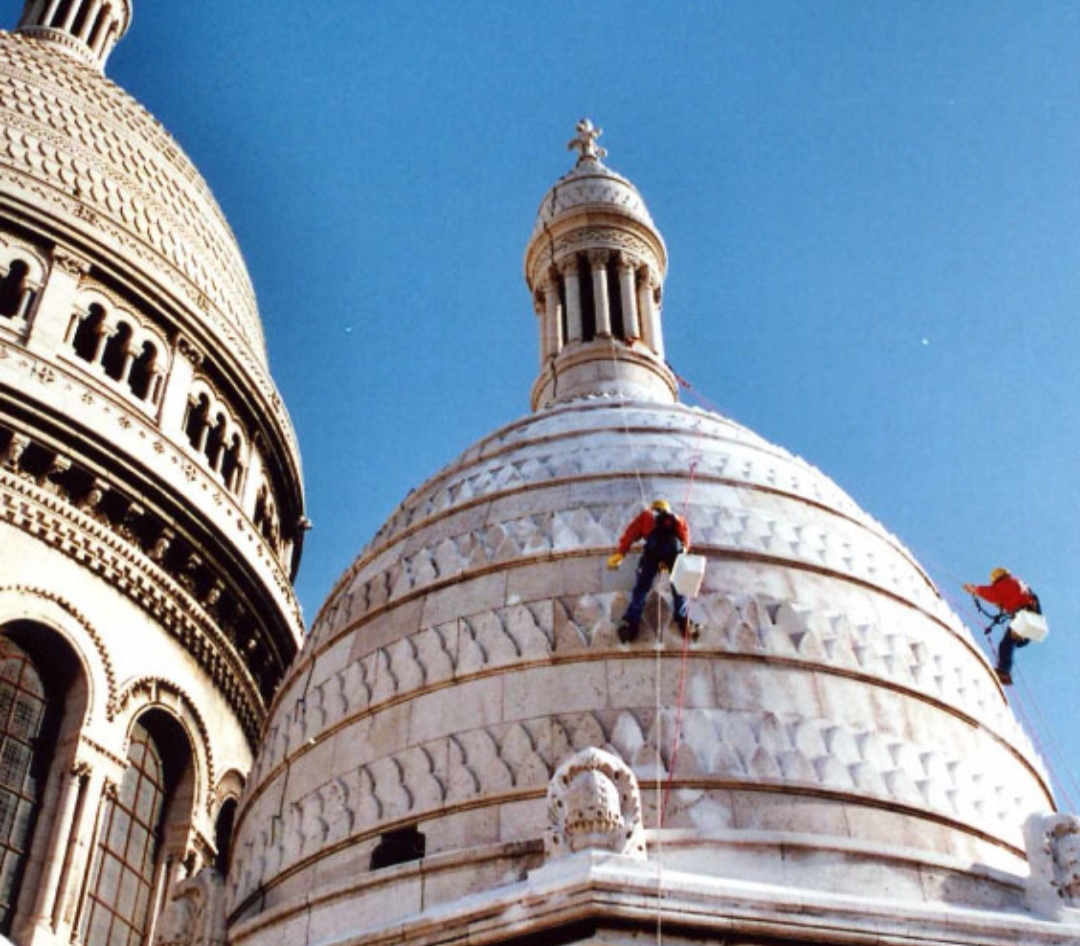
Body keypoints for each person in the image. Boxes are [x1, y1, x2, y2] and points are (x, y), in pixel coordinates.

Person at [607, 499, 692, 642]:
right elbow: (685, 542)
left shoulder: (647, 515)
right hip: (674, 551)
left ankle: (631, 623)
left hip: (653, 551)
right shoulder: (677, 519)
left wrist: (620, 554)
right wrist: (673, 560)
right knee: (679, 587)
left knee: (642, 588)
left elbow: (630, 535)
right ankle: (684, 620)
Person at [964, 567, 1040, 685]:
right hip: (1032, 618)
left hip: (1024, 616)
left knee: (1006, 644)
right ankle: (1005, 671)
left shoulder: (1004, 584)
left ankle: (1004, 671)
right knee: (1012, 641)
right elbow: (1014, 598)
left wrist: (975, 589)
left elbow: (992, 593)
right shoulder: (1018, 583)